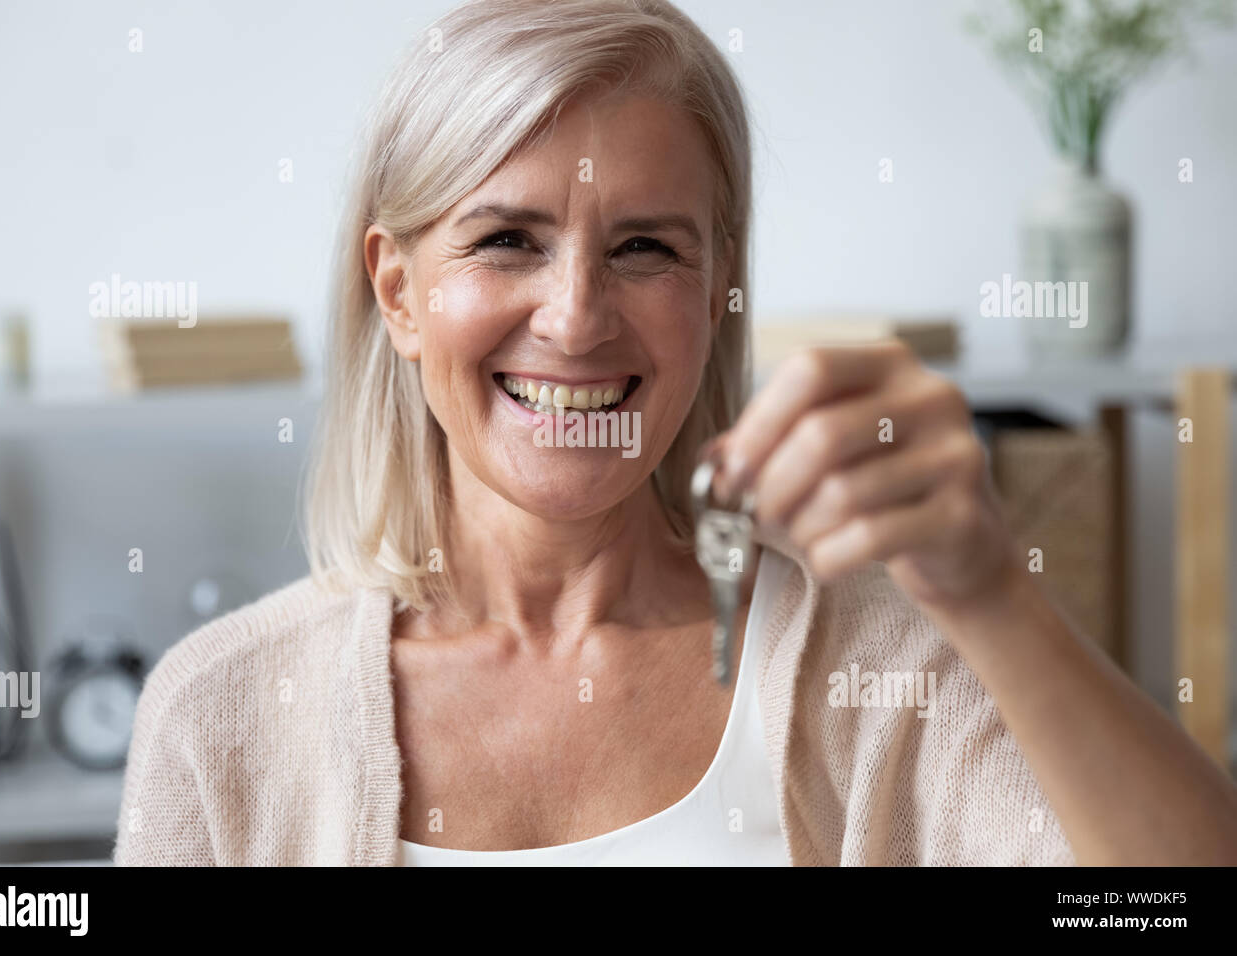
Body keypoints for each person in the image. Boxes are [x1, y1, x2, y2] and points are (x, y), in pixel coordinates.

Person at [115, 0, 1237, 866]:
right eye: (507, 238)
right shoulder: (221, 712)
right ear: (399, 293)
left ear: (716, 297)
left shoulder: (885, 669)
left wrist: (992, 589)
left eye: (645, 247)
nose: (574, 315)